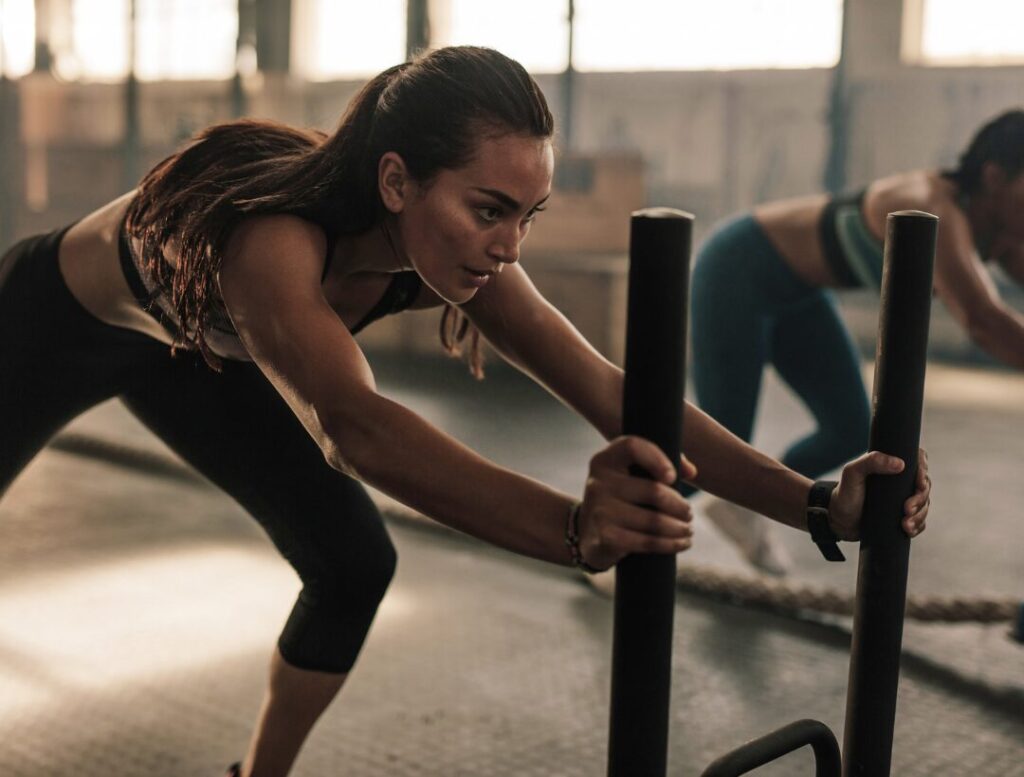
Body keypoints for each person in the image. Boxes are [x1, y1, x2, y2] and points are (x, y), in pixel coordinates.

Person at [0, 46, 931, 777]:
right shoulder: (272, 242)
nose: (507, 246)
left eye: (529, 216)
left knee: (353, 563)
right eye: (490, 209)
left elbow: (612, 389)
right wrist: (574, 530)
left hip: (202, 352)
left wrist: (814, 504)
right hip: (48, 323)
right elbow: (351, 426)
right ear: (397, 181)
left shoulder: (463, 254)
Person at [686, 109, 1022, 576]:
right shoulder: (933, 205)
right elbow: (984, 321)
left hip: (798, 295)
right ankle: (620, 545)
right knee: (716, 444)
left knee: (849, 428)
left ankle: (745, 504)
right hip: (737, 271)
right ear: (994, 177)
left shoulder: (996, 229)